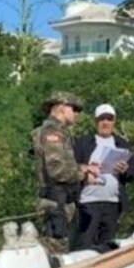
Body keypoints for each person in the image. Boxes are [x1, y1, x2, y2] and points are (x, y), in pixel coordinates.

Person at [31, 91, 99, 255]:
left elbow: (62, 163)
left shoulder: (59, 132)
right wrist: (84, 176)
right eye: (74, 109)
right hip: (56, 204)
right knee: (56, 256)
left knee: (62, 251)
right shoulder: (52, 133)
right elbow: (56, 171)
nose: (77, 114)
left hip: (62, 203)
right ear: (62, 108)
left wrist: (83, 167)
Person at [73, 104, 134, 250]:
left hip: (113, 203)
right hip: (88, 202)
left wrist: (126, 169)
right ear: (95, 121)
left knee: (108, 246)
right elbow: (71, 168)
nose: (105, 123)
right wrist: (85, 171)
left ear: (114, 121)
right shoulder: (83, 143)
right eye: (102, 119)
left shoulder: (122, 144)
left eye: (109, 119)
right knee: (84, 245)